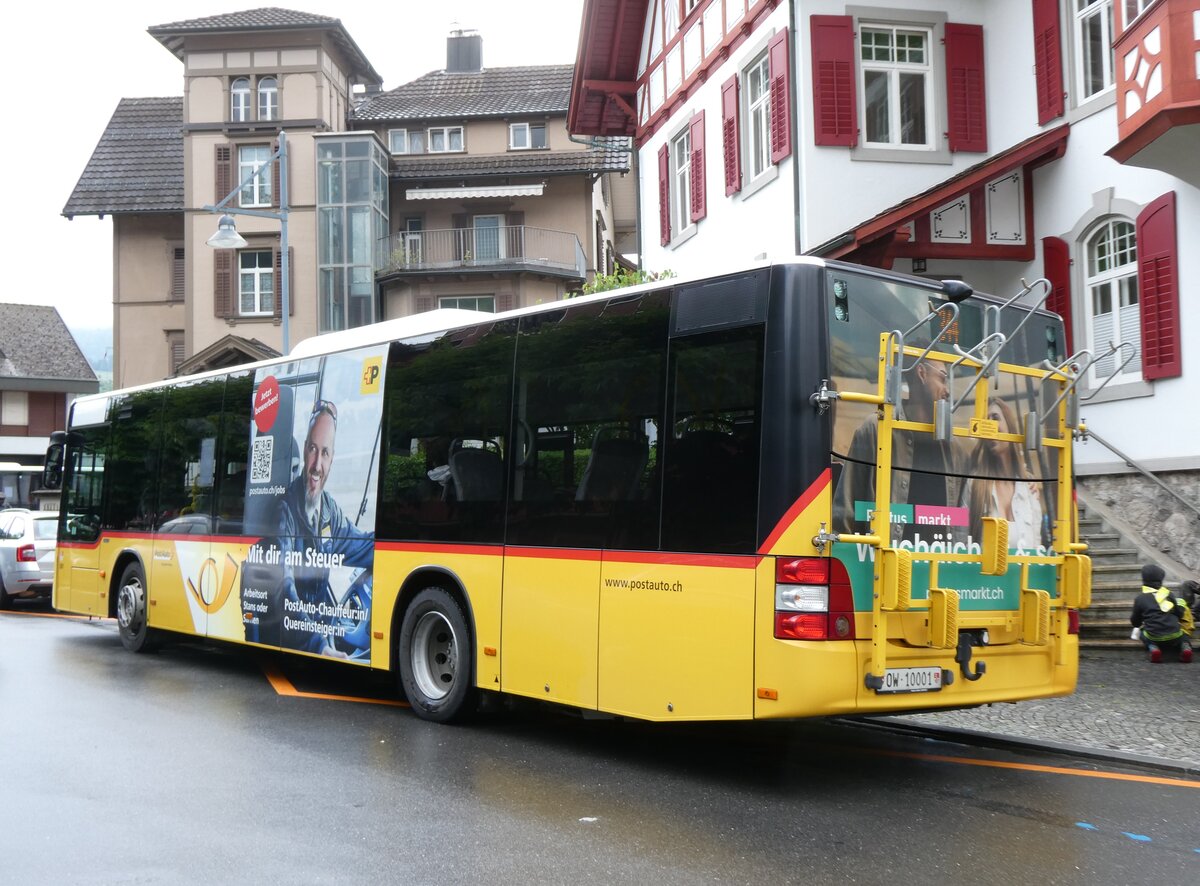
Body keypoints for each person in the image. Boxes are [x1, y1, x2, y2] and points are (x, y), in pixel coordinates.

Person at [277, 399, 374, 657]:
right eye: (312, 449)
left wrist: (405, 535)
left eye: (325, 453)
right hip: (294, 642)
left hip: (322, 638)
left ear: (332, 460)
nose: (317, 464)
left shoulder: (330, 512)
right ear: (305, 447)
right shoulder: (284, 508)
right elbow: (283, 587)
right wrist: (319, 646)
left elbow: (365, 547)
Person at [833, 357, 962, 539]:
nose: (947, 390)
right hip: (880, 565)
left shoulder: (952, 447)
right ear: (921, 373)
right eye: (942, 378)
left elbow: (960, 525)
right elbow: (845, 514)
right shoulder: (877, 429)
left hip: (938, 564)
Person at [959, 397, 1047, 550]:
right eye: (986, 421)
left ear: (1010, 426)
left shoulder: (1028, 486)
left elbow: (1036, 548)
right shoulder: (974, 484)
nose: (990, 426)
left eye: (995, 418)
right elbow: (959, 543)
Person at [1130, 564, 1193, 663]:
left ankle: (1153, 649)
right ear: (1160, 580)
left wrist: (1139, 624)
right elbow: (1180, 614)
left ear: (1144, 580)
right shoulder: (1169, 594)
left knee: (1143, 633)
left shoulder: (1140, 598)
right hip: (1175, 635)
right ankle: (1186, 648)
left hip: (1154, 636)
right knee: (1183, 636)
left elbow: (1135, 622)